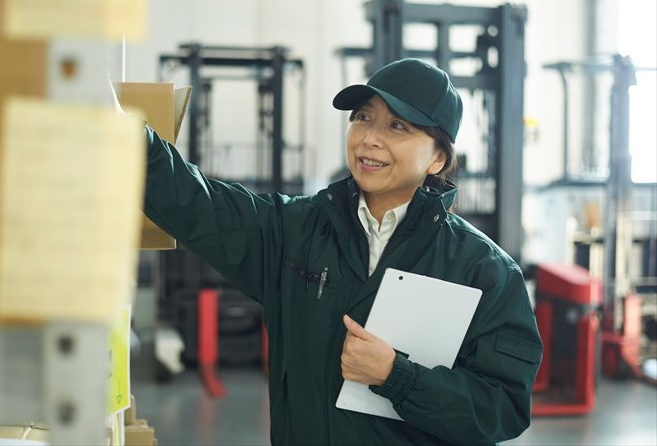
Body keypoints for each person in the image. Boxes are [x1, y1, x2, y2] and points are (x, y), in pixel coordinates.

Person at [140, 58, 542, 445]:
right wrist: (134, 139)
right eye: (362, 118)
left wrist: (397, 377)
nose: (369, 138)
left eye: (397, 126)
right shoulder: (294, 230)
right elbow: (200, 204)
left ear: (437, 158)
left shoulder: (485, 271)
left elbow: (502, 407)